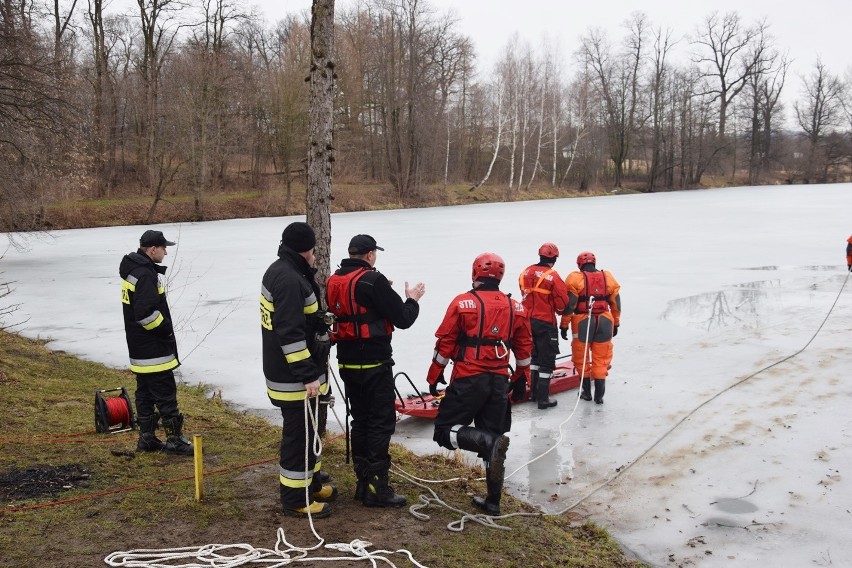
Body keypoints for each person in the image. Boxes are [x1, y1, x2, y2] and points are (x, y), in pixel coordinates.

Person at [427, 252, 531, 516]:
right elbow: (525, 349)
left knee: (444, 431)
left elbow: (445, 342)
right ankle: (493, 502)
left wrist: (434, 374)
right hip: (499, 381)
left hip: (468, 379)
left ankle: (487, 442)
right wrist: (521, 379)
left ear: (475, 273)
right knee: (495, 437)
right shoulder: (517, 307)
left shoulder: (462, 303)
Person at [326, 234, 425, 507]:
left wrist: (382, 293)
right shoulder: (373, 280)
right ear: (370, 255)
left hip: (346, 363)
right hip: (375, 363)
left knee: (360, 420)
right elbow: (403, 319)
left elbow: (353, 307)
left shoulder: (333, 280)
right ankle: (376, 488)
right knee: (381, 422)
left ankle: (363, 483)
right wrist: (412, 299)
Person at [261, 221, 337, 518]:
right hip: (293, 379)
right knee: (299, 438)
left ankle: (312, 483)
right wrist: (307, 375)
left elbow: (301, 322)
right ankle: (295, 499)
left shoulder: (282, 270)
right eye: (313, 249)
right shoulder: (289, 279)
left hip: (294, 373)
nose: (315, 255)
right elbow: (290, 334)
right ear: (305, 250)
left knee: (311, 432)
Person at [120, 229, 193, 456]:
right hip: (154, 350)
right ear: (153, 249)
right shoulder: (145, 274)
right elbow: (145, 314)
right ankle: (174, 440)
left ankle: (147, 438)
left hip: (139, 348)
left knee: (145, 393)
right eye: (164, 248)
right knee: (165, 394)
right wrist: (165, 331)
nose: (166, 253)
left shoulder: (134, 270)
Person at [559, 251, 621, 404]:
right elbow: (616, 303)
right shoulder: (608, 277)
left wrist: (564, 325)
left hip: (583, 321)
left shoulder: (575, 278)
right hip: (605, 320)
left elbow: (571, 305)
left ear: (580, 264)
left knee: (582, 359)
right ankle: (599, 397)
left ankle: (586, 393)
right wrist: (616, 322)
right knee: (601, 360)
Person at [518, 242, 569, 409]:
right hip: (546, 322)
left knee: (534, 356)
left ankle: (533, 393)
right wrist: (561, 311)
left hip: (526, 321)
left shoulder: (525, 272)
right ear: (554, 258)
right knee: (546, 360)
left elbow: (523, 292)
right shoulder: (553, 276)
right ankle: (543, 399)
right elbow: (562, 301)